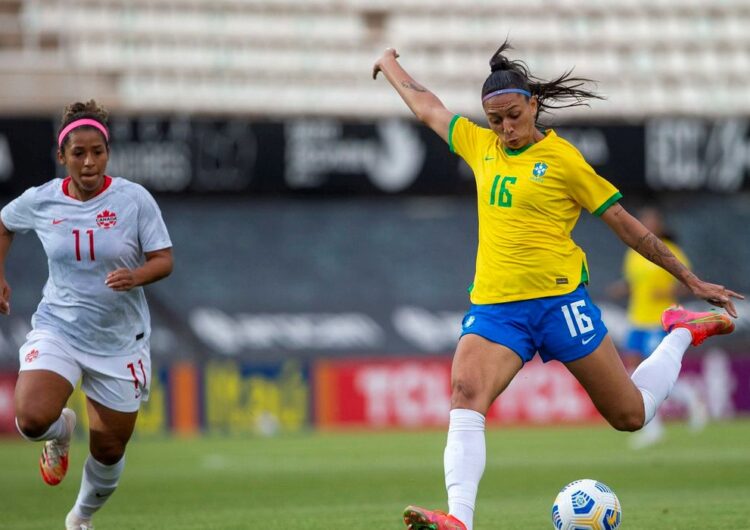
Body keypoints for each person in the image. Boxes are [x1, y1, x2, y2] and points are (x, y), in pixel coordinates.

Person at [372, 42, 743, 530]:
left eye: (512, 115)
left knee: (630, 415)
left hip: (560, 305)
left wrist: (689, 279)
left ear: (532, 104)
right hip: (496, 308)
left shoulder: (564, 160)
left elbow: (627, 226)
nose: (505, 128)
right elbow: (428, 107)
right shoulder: (479, 144)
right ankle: (458, 519)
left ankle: (681, 331)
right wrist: (390, 62)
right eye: (495, 119)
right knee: (465, 390)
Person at [0, 100, 173, 530]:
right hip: (59, 327)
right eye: (79, 153)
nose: (89, 161)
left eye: (97, 151)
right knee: (32, 419)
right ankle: (60, 433)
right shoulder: (41, 200)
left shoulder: (134, 199)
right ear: (62, 157)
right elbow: (3, 223)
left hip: (119, 341)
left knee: (110, 449)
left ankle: (80, 518)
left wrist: (136, 276)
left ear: (107, 153)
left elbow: (164, 259)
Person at [608, 206, 708, 448]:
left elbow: (687, 281)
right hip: (637, 319)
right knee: (632, 374)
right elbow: (635, 282)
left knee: (654, 371)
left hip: (659, 319)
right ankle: (653, 428)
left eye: (651, 220)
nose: (646, 224)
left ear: (660, 225)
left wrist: (666, 291)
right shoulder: (633, 253)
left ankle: (691, 398)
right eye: (643, 220)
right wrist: (623, 288)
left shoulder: (670, 251)